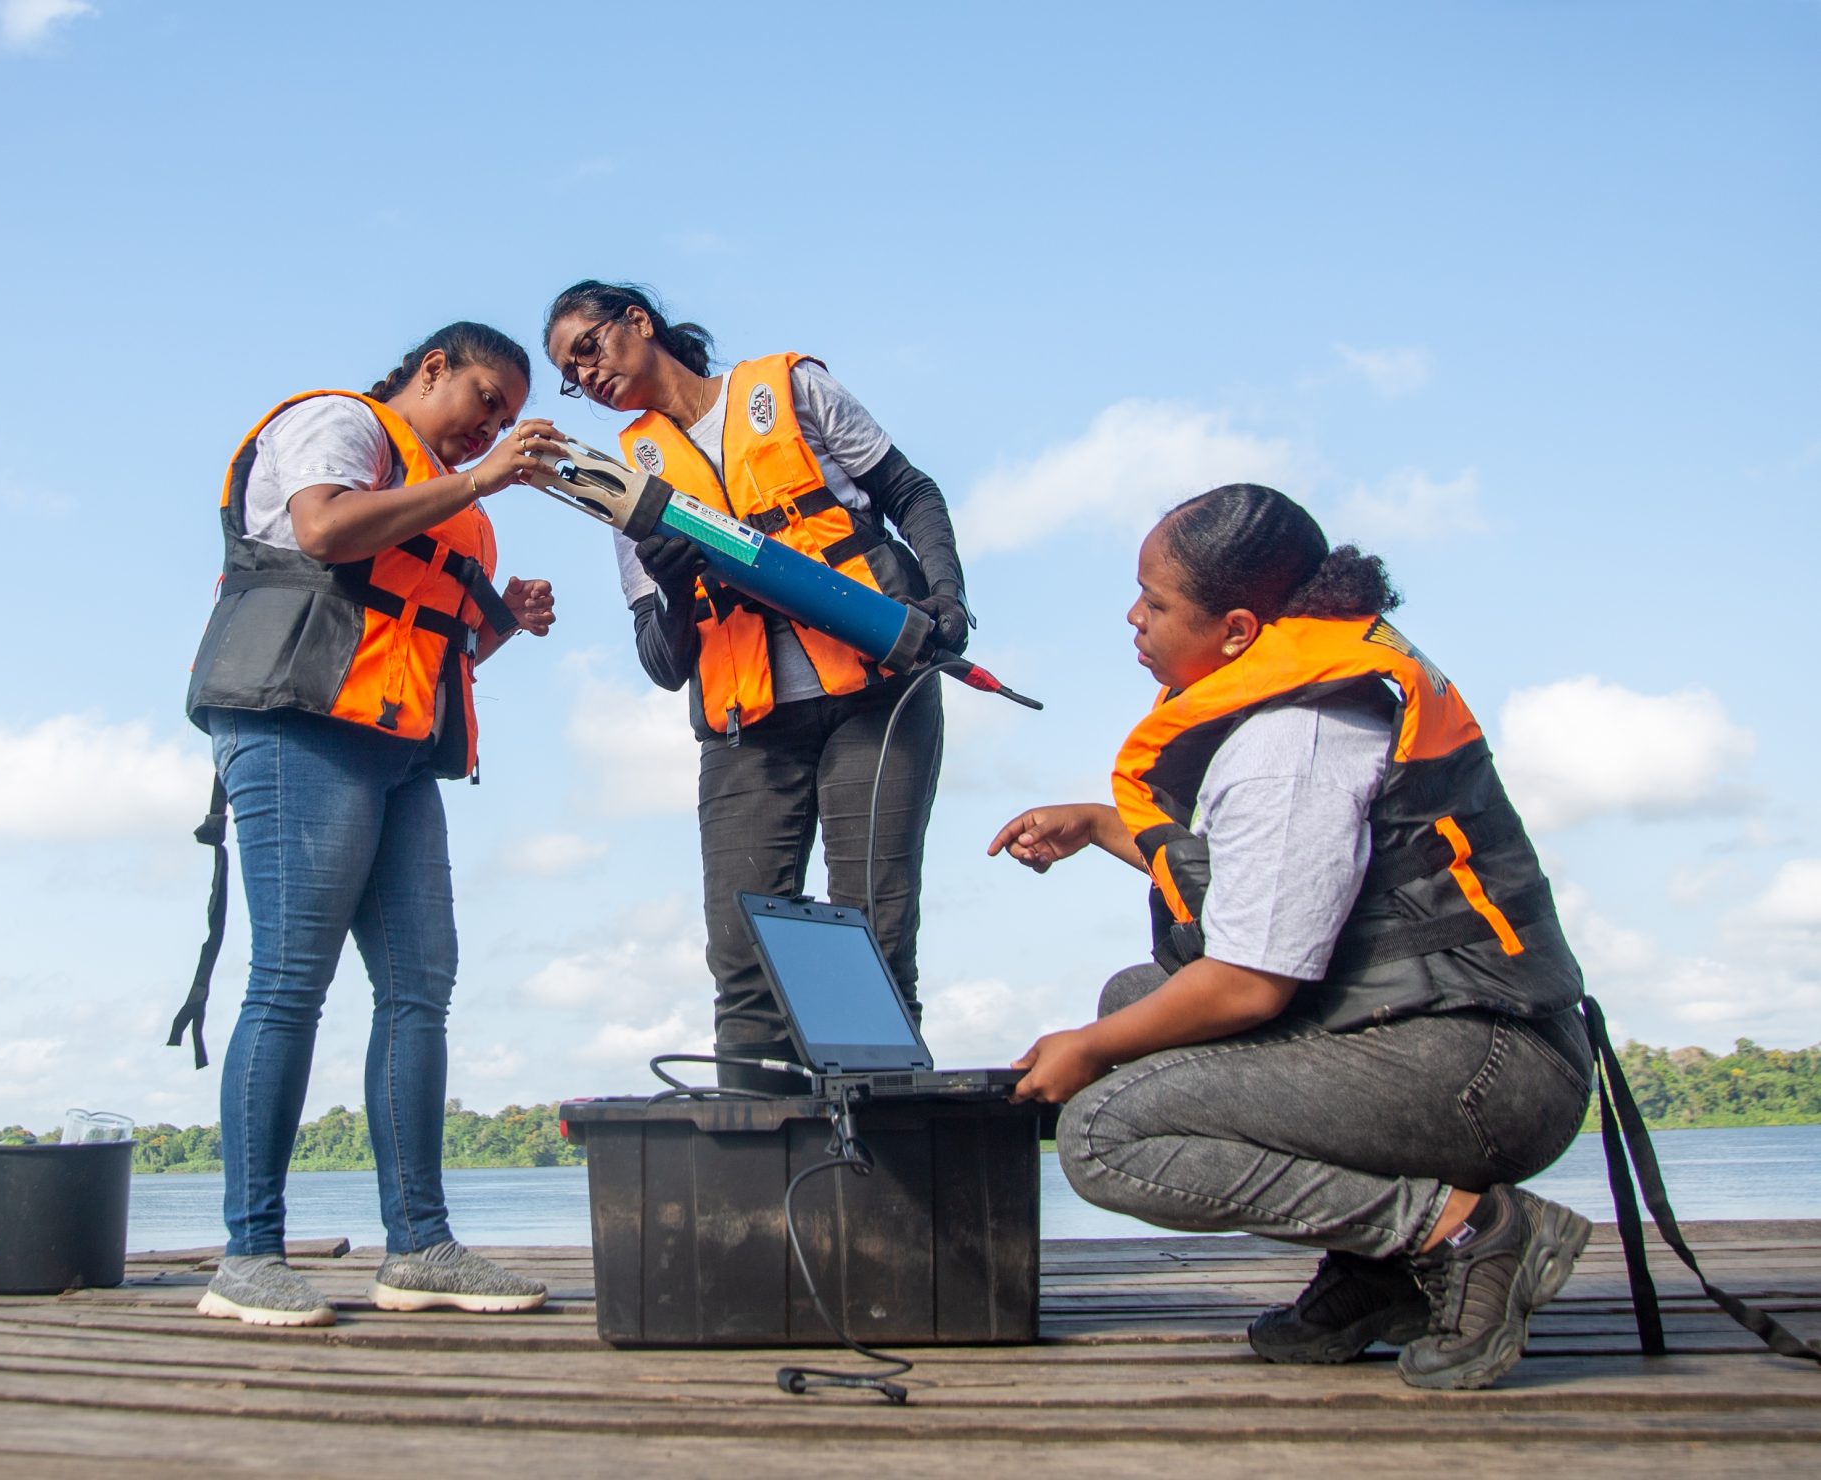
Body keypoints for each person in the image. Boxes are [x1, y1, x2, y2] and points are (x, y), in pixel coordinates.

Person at [988, 483, 1594, 1391]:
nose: (1133, 617)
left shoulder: (1292, 741)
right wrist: (1101, 825)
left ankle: (1463, 1233)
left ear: (1236, 630)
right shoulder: (1308, 705)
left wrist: (1087, 1051)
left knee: (1103, 1130)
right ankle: (1377, 1268)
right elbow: (1282, 896)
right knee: (1132, 1000)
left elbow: (1250, 984)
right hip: (1456, 1032)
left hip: (1487, 1072)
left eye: (1155, 603)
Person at [178, 322, 561, 1326]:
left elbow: (431, 646)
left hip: (398, 751)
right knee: (289, 981)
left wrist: (504, 619)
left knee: (420, 989)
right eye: (488, 399)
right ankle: (248, 1255)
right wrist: (481, 483)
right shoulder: (343, 425)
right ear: (434, 367)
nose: (494, 428)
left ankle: (420, 1245)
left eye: (511, 419)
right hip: (296, 726)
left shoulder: (445, 492)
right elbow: (324, 534)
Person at [541, 281, 973, 1091]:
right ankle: (756, 1175)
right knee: (742, 954)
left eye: (588, 347)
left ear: (638, 320)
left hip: (879, 697)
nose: (585, 375)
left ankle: (881, 1166)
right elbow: (664, 662)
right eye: (570, 372)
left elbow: (911, 492)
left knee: (876, 931)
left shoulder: (790, 388)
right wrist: (671, 592)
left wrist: (947, 595)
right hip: (749, 730)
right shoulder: (626, 480)